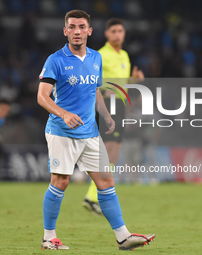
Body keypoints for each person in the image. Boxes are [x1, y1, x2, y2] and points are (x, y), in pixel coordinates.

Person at [37, 10, 155, 250]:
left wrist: (107, 115)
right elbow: (42, 96)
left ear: (89, 31)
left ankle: (123, 236)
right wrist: (64, 113)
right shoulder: (55, 60)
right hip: (62, 131)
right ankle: (49, 237)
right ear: (65, 31)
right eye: (72, 27)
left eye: (82, 27)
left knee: (106, 180)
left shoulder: (95, 58)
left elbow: (95, 91)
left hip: (90, 132)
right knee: (60, 181)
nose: (77, 31)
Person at [83, 18, 145, 214]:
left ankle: (94, 196)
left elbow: (123, 83)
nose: (118, 34)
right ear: (107, 34)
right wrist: (104, 90)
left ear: (124, 34)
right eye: (114, 31)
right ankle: (94, 196)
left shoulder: (124, 56)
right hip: (106, 105)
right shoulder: (100, 55)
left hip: (119, 105)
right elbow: (92, 81)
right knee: (109, 152)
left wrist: (133, 80)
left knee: (112, 154)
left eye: (120, 31)